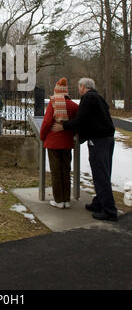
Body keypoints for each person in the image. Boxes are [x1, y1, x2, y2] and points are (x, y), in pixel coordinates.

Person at [53, 78, 118, 222]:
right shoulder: (98, 98)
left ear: (83, 86)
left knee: (100, 174)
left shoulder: (88, 98)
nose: (79, 89)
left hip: (98, 140)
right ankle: (99, 202)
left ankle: (109, 210)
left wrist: (63, 127)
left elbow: (81, 119)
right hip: (107, 139)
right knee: (104, 172)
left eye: (79, 86)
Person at [40, 77, 79, 209]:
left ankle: (58, 200)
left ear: (57, 91)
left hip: (53, 143)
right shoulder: (74, 106)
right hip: (67, 142)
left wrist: (42, 136)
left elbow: (46, 123)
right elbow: (76, 124)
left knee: (56, 171)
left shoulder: (53, 103)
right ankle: (67, 200)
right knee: (66, 171)